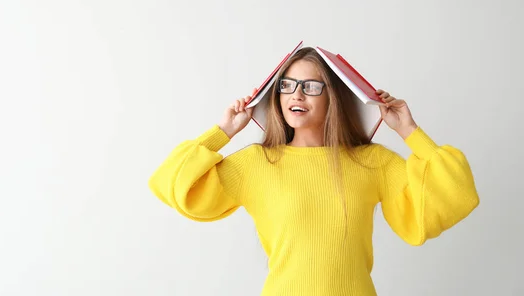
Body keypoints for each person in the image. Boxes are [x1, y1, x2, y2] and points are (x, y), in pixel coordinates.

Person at [148, 47, 479, 295]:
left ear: (332, 96)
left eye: (311, 86)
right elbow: (172, 183)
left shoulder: (372, 161)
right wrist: (223, 131)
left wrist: (409, 130)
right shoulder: (256, 164)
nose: (297, 94)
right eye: (287, 85)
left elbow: (453, 195)